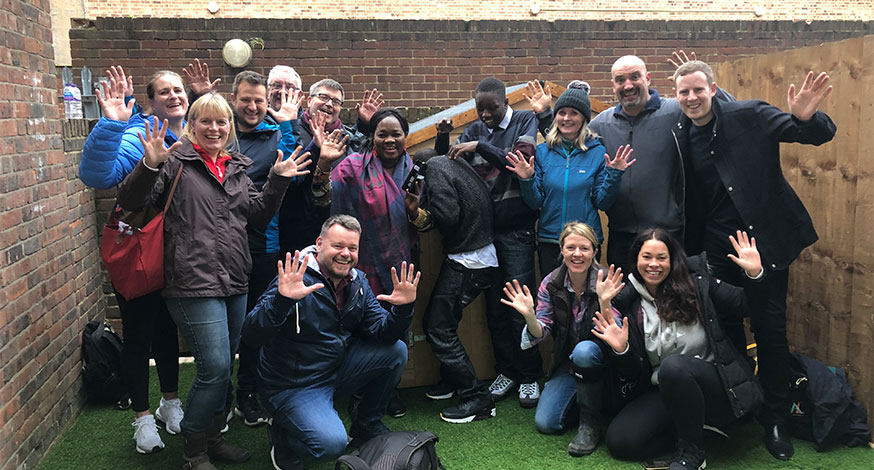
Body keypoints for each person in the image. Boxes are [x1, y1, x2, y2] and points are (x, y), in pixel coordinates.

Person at [116, 92, 311, 470]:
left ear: (230, 128)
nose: (215, 128)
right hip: (190, 282)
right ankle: (193, 448)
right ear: (192, 126)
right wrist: (149, 165)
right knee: (216, 367)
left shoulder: (236, 167)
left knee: (225, 365)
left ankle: (213, 437)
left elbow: (257, 215)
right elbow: (129, 201)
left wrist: (278, 180)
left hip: (235, 280)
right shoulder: (175, 162)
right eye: (205, 121)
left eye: (221, 121)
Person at [671, 60, 836, 461]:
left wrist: (808, 118)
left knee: (770, 329)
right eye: (683, 92)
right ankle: (742, 405)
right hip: (717, 247)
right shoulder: (680, 133)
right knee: (725, 330)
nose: (691, 98)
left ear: (713, 87)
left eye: (698, 90)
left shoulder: (749, 114)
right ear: (676, 97)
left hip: (765, 243)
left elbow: (813, 134)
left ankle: (776, 419)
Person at [525, 52, 734, 272]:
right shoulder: (602, 124)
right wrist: (546, 116)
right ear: (613, 85)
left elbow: (726, 114)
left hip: (668, 231)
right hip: (621, 233)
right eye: (620, 80)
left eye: (635, 77)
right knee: (623, 299)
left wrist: (702, 85)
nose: (628, 85)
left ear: (648, 78)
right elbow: (567, 143)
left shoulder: (675, 111)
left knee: (670, 298)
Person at [242, 215, 421, 469]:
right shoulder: (296, 277)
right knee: (331, 445)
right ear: (319, 244)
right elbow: (250, 335)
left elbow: (383, 333)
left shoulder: (357, 281)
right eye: (338, 246)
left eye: (353, 248)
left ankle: (366, 425)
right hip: (294, 385)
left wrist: (403, 310)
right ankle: (281, 433)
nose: (345, 254)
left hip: (333, 369)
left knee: (396, 351)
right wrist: (281, 302)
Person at [78, 66, 185, 454]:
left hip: (179, 258)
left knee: (167, 335)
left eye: (179, 90)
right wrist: (111, 125)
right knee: (139, 338)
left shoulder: (195, 132)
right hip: (141, 251)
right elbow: (95, 175)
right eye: (164, 92)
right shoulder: (135, 133)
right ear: (150, 100)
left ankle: (170, 404)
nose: (173, 96)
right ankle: (142, 419)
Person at [597, 228, 764, 470]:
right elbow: (632, 370)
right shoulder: (628, 300)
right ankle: (697, 432)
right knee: (621, 442)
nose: (654, 264)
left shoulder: (697, 285)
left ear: (672, 260)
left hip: (715, 387)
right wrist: (621, 348)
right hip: (666, 389)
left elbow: (747, 305)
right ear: (636, 260)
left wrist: (754, 274)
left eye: (661, 257)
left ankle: (692, 453)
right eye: (647, 257)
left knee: (674, 366)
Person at [435, 77, 543, 407]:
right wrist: (443, 138)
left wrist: (480, 147)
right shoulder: (472, 133)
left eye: (491, 108)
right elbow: (448, 167)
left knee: (519, 309)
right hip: (483, 236)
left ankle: (530, 376)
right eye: (479, 108)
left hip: (516, 232)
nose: (484, 115)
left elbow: (517, 160)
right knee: (495, 310)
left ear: (505, 103)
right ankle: (507, 371)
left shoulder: (525, 120)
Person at [501, 222, 624, 456]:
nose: (577, 254)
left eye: (584, 248)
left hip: (605, 362)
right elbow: (540, 333)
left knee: (585, 351)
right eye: (571, 248)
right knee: (547, 423)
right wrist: (529, 315)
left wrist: (604, 301)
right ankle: (591, 401)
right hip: (569, 365)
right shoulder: (552, 282)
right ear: (561, 250)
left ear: (595, 251)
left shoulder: (606, 279)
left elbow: (616, 337)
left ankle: (590, 423)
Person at [227, 69, 300, 429]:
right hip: (218, 245)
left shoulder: (275, 136)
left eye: (258, 100)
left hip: (261, 244)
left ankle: (247, 393)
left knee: (254, 326)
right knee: (223, 327)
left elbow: (291, 167)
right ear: (233, 101)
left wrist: (286, 124)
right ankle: (219, 396)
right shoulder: (220, 135)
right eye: (246, 99)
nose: (253, 106)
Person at [409, 150, 500, 423]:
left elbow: (448, 215)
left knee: (438, 327)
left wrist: (418, 207)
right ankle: (453, 383)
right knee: (444, 322)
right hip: (479, 256)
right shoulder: (452, 162)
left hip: (467, 260)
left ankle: (477, 398)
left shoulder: (434, 168)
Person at [509, 85, 635, 275]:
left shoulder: (598, 152)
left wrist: (614, 175)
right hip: (551, 241)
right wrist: (527, 179)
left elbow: (603, 202)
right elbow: (535, 202)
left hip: (586, 243)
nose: (566, 118)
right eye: (562, 112)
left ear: (584, 118)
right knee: (553, 297)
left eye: (574, 113)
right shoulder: (543, 152)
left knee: (587, 298)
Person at [278, 79, 380, 254]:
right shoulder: (291, 131)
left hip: (339, 226)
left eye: (336, 101)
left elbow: (360, 164)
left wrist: (365, 126)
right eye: (323, 97)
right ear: (309, 100)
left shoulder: (346, 136)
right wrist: (317, 149)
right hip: (298, 229)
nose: (329, 104)